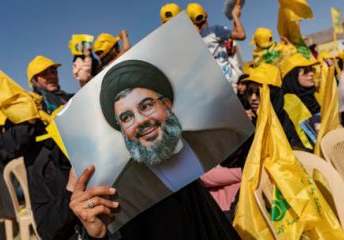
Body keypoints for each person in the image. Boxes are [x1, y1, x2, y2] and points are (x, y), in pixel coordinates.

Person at [69, 59, 241, 239]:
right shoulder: (123, 192)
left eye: (146, 106)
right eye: (127, 117)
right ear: (122, 129)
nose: (141, 121)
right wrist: (96, 235)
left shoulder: (223, 139)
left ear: (166, 104)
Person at [26, 55, 79, 239]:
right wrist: (30, 119)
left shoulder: (68, 98)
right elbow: (11, 144)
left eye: (53, 71)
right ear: (34, 80)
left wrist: (85, 82)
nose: (51, 76)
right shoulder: (28, 107)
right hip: (54, 172)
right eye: (44, 73)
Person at [242, 64, 305, 150]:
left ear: (273, 95)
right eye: (250, 92)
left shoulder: (282, 118)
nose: (253, 98)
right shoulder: (247, 119)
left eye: (259, 93)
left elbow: (296, 149)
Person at [186, 2, 246, 92]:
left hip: (210, 87)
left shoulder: (191, 40)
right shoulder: (215, 30)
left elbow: (230, 43)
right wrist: (235, 16)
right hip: (227, 83)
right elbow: (241, 35)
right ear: (205, 14)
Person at [281, 53, 320, 150]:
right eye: (305, 71)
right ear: (292, 76)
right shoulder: (288, 103)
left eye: (311, 69)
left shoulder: (316, 94)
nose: (311, 73)